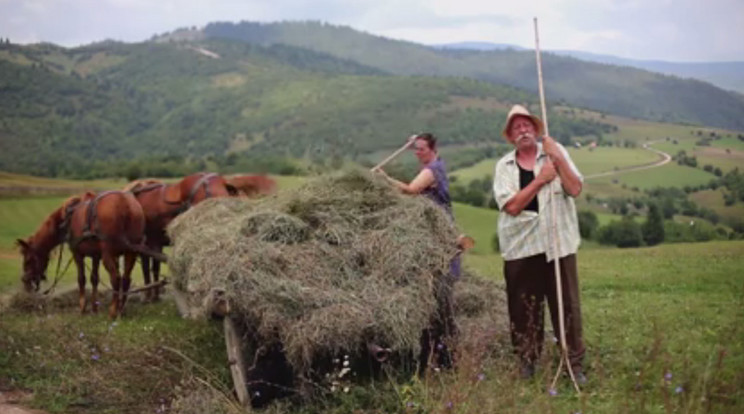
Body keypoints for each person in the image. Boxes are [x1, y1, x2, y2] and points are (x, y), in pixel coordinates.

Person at [492, 104, 587, 383]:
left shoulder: (556, 154)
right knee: (524, 308)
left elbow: (575, 189)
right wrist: (540, 180)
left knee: (566, 306)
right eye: (516, 128)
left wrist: (559, 159)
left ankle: (574, 364)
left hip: (558, 242)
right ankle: (527, 361)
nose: (523, 131)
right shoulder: (504, 167)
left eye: (527, 125)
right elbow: (511, 206)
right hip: (521, 247)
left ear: (536, 129)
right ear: (510, 137)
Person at [374, 133, 460, 369]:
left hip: (441, 239)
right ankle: (432, 355)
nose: (417, 152)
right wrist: (413, 139)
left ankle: (447, 359)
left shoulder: (433, 169)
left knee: (441, 300)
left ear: (433, 149)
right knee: (431, 298)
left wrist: (385, 179)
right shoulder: (432, 165)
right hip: (430, 238)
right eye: (415, 149)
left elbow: (411, 190)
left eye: (421, 148)